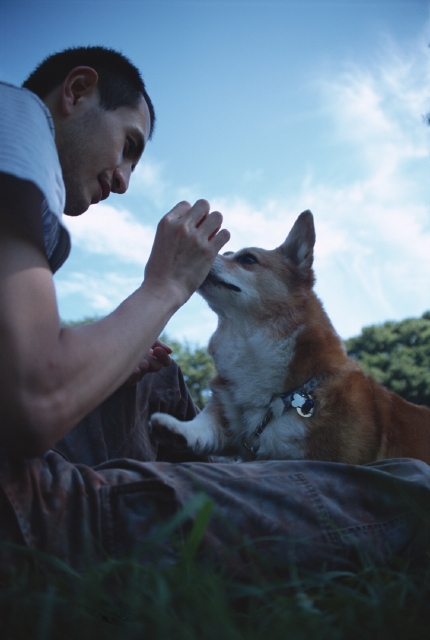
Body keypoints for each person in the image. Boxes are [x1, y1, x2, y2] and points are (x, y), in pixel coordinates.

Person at [0, 46, 429, 575]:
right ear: (75, 91)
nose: (124, 180)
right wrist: (166, 286)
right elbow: (35, 398)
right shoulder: (16, 118)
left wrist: (103, 361)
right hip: (29, 502)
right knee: (412, 485)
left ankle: (190, 477)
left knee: (158, 384)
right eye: (128, 145)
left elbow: (22, 374)